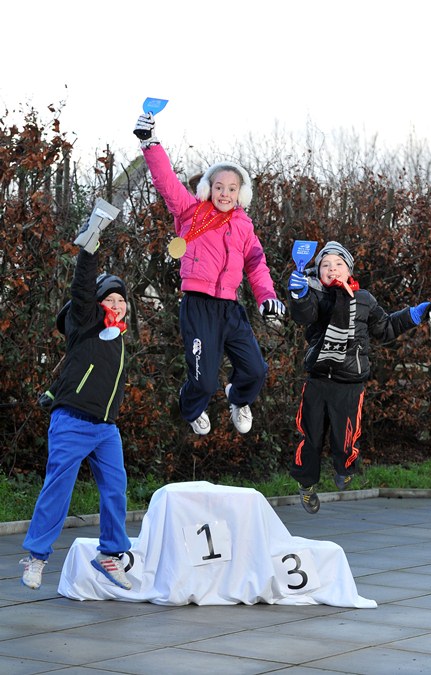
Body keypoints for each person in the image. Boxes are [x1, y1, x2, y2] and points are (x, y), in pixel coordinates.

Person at [133, 112, 286, 435]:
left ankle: (238, 398)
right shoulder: (191, 212)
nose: (225, 194)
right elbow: (166, 182)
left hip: (230, 308)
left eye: (232, 188)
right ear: (209, 188)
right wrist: (150, 142)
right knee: (202, 382)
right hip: (198, 305)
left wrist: (267, 298)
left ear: (240, 193)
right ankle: (192, 409)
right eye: (219, 187)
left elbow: (257, 264)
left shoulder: (244, 226)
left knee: (256, 370)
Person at [20, 200, 133, 591]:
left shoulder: (119, 338)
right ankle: (36, 557)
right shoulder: (84, 322)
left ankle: (110, 554)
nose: (116, 304)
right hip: (72, 421)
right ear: (98, 304)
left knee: (116, 489)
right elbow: (82, 287)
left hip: (106, 429)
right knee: (58, 490)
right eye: (110, 299)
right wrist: (91, 245)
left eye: (122, 300)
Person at [287, 240, 431, 514]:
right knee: (308, 437)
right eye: (325, 265)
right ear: (318, 272)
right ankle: (306, 485)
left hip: (350, 384)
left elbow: (387, 328)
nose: (332, 269)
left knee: (345, 440)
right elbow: (304, 314)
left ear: (349, 270)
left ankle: (344, 470)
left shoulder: (365, 300)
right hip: (318, 380)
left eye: (338, 264)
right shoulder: (317, 295)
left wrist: (415, 314)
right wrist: (298, 295)